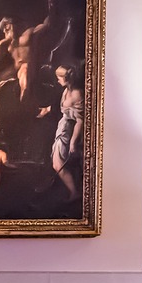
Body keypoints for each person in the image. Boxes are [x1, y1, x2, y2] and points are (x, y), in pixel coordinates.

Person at [42, 63, 82, 202]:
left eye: (59, 77)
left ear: (66, 78)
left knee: (58, 163)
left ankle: (74, 192)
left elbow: (80, 121)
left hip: (69, 131)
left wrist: (73, 142)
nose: (57, 80)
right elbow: (62, 109)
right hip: (62, 128)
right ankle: (72, 191)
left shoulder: (77, 94)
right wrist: (46, 110)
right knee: (56, 162)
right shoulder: (65, 91)